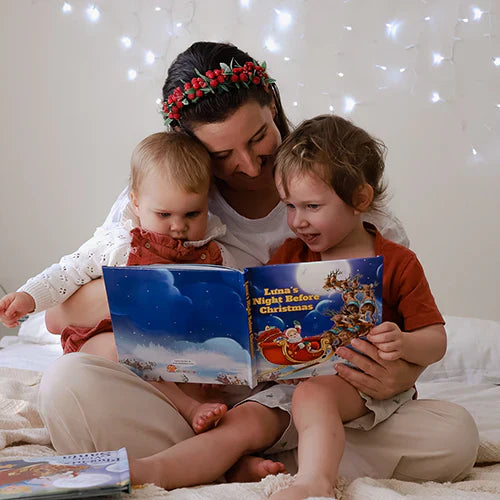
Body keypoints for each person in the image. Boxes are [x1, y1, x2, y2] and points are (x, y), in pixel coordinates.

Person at [37, 41, 478, 489]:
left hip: (319, 401)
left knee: (453, 435)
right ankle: (241, 456)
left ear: (272, 104)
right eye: (222, 156)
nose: (248, 166)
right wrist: (172, 292)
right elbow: (58, 317)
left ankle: (213, 461)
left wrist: (398, 374)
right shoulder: (166, 197)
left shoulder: (344, 195)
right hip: (195, 404)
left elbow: (408, 330)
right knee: (67, 384)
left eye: (257, 138)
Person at [0, 131, 234, 433]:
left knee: (206, 376)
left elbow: (229, 305)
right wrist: (27, 297)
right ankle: (187, 409)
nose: (178, 226)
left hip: (174, 350)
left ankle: (196, 427)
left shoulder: (214, 254)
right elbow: (65, 273)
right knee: (120, 351)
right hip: (111, 341)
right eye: (164, 214)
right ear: (135, 202)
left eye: (192, 213)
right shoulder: (118, 244)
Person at [267, 114, 447, 499]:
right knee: (251, 417)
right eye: (289, 206)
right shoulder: (289, 257)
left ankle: (315, 482)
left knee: (313, 396)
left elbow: (436, 341)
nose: (297, 221)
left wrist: (404, 343)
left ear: (360, 200)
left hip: (368, 386)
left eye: (312, 206)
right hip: (302, 383)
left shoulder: (397, 262)